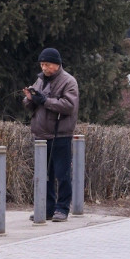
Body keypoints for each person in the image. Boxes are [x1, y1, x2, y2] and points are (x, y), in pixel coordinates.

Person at [23, 48, 79, 222]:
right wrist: (30, 99)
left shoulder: (68, 81)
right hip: (41, 134)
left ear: (57, 64)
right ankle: (47, 208)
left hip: (60, 134)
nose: (44, 68)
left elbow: (69, 105)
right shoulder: (40, 80)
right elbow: (30, 103)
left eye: (47, 64)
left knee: (62, 174)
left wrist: (45, 101)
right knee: (44, 174)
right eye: (42, 64)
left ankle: (62, 208)